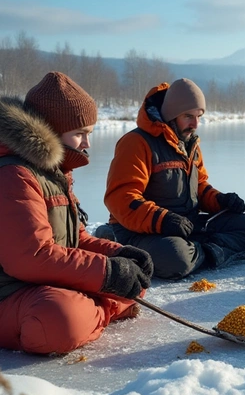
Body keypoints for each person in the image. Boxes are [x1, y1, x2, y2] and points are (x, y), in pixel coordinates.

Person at [0, 72, 153, 355]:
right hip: (10, 292)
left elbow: (75, 239)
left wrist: (118, 255)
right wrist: (107, 274)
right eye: (80, 134)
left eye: (89, 134)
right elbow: (29, 257)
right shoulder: (14, 175)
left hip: (43, 281)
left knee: (135, 281)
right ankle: (103, 308)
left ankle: (94, 305)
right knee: (59, 319)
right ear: (52, 131)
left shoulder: (54, 173)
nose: (87, 144)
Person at [100, 78, 245, 280]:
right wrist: (163, 219)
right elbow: (121, 198)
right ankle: (212, 251)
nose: (195, 124)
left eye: (199, 116)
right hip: (141, 231)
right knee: (176, 257)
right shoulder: (136, 143)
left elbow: (199, 187)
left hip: (189, 224)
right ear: (171, 114)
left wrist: (220, 200)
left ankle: (204, 252)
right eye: (189, 116)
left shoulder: (190, 143)